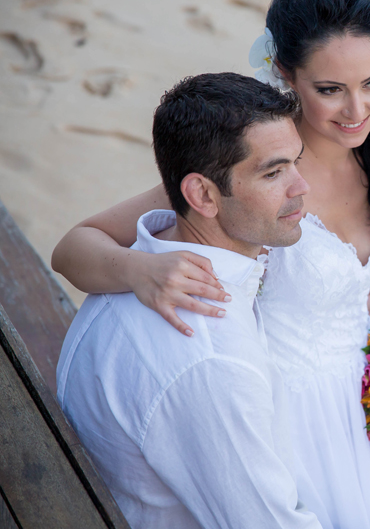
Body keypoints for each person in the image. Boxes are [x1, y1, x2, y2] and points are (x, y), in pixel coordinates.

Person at [52, 0, 370, 528]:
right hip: (293, 411)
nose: (357, 111)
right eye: (330, 90)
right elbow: (73, 248)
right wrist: (136, 269)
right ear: (286, 73)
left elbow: (356, 273)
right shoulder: (253, 169)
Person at [56, 73, 322, 528]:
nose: (302, 187)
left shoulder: (147, 250)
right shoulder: (212, 357)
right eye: (273, 172)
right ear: (201, 194)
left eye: (295, 163)